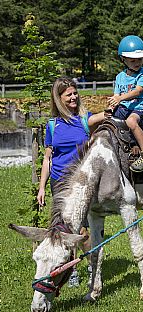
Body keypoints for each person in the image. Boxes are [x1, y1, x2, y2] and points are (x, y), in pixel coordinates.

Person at [37, 76, 104, 287]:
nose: (74, 97)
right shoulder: (52, 126)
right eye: (69, 95)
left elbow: (105, 116)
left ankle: (93, 264)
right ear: (58, 99)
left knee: (81, 228)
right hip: (58, 182)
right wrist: (41, 188)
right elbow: (48, 158)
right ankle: (70, 269)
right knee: (63, 229)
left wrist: (117, 102)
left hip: (79, 183)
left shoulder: (85, 120)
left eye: (75, 93)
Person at [107, 35, 143, 172]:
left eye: (140, 59)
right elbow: (116, 95)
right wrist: (111, 105)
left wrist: (120, 99)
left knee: (131, 122)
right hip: (124, 107)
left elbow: (137, 92)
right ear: (123, 59)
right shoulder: (119, 77)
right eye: (133, 60)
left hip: (140, 107)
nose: (137, 63)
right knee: (104, 120)